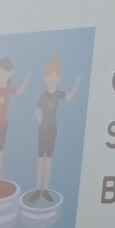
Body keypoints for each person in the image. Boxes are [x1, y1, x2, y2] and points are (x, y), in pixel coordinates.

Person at [31, 57, 81, 204]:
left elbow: (70, 97)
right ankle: (37, 190)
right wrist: (40, 121)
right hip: (43, 131)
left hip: (53, 130)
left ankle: (45, 190)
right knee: (41, 159)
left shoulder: (58, 94)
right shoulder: (44, 95)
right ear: (46, 77)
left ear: (60, 77)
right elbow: (36, 111)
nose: (52, 79)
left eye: (56, 76)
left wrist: (77, 83)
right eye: (50, 76)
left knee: (49, 160)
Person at [0, 57, 29, 189]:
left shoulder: (9, 89)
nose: (3, 75)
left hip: (4, 124)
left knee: (0, 152)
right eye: (1, 72)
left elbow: (20, 91)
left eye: (6, 72)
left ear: (11, 73)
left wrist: (27, 79)